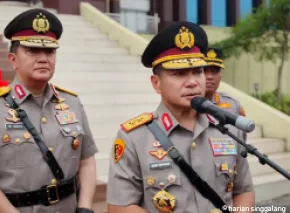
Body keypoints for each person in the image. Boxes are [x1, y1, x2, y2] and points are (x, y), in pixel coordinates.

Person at [106, 21, 255, 213]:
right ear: (156, 83)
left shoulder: (228, 129)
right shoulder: (134, 138)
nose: (192, 82)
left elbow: (244, 190)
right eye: (179, 74)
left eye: (198, 72)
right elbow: (120, 206)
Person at [0, 8, 98, 213]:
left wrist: (86, 207)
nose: (43, 58)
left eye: (50, 51)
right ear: (13, 59)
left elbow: (87, 160)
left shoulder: (72, 103)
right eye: (32, 51)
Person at [204, 47, 246, 116]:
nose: (210, 76)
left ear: (220, 75)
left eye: (215, 71)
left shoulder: (233, 105)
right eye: (204, 70)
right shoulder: (185, 104)